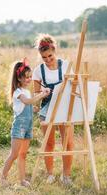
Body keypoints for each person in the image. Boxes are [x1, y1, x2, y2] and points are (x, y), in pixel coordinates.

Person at [1, 58, 50, 187]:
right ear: (19, 79)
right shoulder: (18, 92)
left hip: (28, 127)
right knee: (14, 154)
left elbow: (28, 105)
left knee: (23, 154)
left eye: (30, 77)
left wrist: (35, 109)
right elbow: (27, 101)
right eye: (26, 77)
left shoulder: (27, 92)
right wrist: (41, 96)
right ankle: (3, 177)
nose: (29, 80)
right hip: (19, 127)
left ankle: (22, 180)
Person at [33, 34, 74, 185]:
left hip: (65, 107)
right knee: (48, 143)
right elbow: (36, 94)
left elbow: (73, 86)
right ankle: (50, 174)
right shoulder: (38, 71)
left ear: (54, 50)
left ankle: (66, 176)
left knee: (67, 143)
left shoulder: (66, 66)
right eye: (44, 57)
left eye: (50, 55)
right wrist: (41, 96)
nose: (48, 60)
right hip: (47, 109)